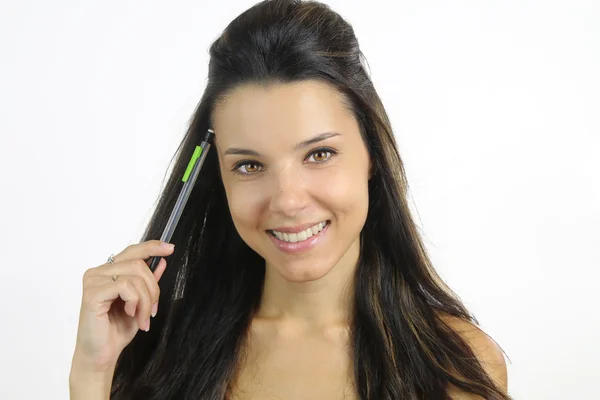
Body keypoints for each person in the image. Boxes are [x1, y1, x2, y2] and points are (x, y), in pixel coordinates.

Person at [69, 0, 511, 399]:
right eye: (249, 165)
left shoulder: (455, 364)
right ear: (216, 175)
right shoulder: (159, 350)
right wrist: (93, 374)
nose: (288, 201)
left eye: (319, 154)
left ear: (372, 155)